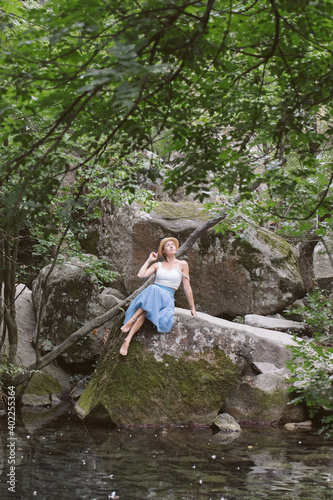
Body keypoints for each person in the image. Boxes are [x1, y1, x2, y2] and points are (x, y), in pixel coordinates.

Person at [120, 237, 197, 356]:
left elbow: (187, 287)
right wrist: (149, 260)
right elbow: (141, 275)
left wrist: (192, 307)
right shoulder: (158, 265)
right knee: (149, 304)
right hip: (153, 296)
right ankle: (128, 339)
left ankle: (132, 319)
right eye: (168, 245)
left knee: (153, 290)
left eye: (173, 244)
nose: (171, 246)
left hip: (167, 298)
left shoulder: (183, 264)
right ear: (163, 251)